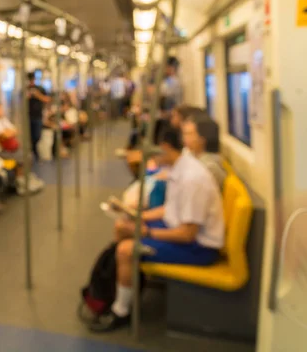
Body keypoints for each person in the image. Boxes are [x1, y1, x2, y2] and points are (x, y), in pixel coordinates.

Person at [91, 127, 224, 332]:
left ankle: (121, 311)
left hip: (199, 247)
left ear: (164, 148)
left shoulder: (192, 179)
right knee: (122, 227)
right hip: (179, 229)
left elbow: (188, 234)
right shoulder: (178, 168)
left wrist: (146, 232)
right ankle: (129, 281)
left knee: (126, 249)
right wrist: (137, 216)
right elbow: (170, 208)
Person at [181, 114, 227, 189]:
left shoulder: (210, 167)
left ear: (202, 139)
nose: (184, 138)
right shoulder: (194, 156)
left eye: (189, 134)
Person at [27, 71, 51, 161]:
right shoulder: (26, 88)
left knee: (37, 135)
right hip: (28, 116)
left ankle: (35, 151)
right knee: (30, 136)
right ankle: (34, 153)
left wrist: (37, 95)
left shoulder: (40, 88)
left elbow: (47, 99)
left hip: (38, 115)